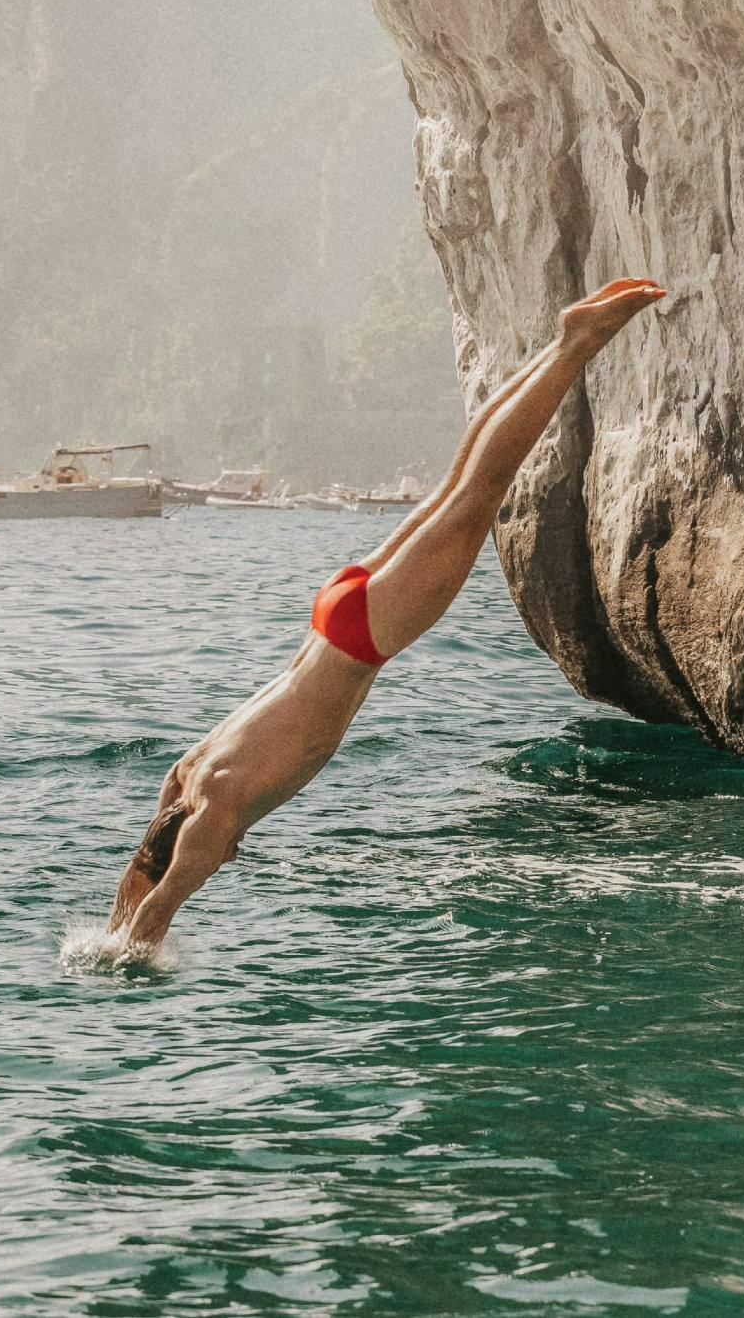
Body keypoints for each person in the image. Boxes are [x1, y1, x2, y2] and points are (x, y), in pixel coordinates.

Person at [102, 277, 666, 953]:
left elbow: (155, 910)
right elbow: (143, 865)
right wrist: (122, 905)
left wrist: (122, 958)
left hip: (361, 639)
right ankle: (564, 341)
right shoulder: (190, 778)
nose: (224, 860)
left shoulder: (212, 817)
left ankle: (579, 343)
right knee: (459, 486)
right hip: (332, 612)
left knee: (481, 492)